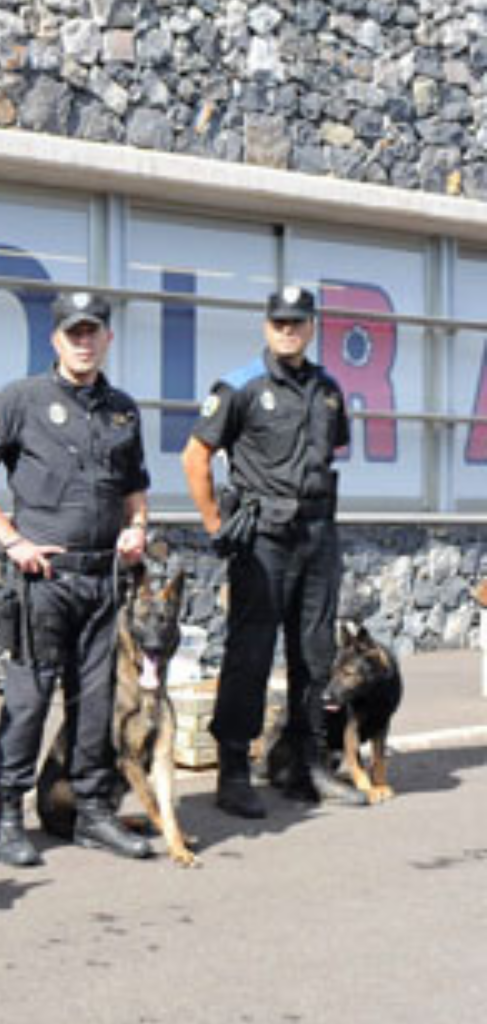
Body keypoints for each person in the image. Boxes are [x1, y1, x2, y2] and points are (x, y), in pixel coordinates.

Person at [0, 291, 154, 867]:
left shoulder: (122, 410)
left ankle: (90, 811)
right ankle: (7, 816)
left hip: (103, 580)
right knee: (30, 700)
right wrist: (10, 538)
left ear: (108, 338)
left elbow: (134, 485)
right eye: (74, 332)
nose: (83, 341)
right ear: (55, 339)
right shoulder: (23, 399)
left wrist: (137, 526)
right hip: (44, 580)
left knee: (96, 704)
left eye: (93, 331)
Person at [182, 286, 364, 817]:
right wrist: (217, 524)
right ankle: (234, 772)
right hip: (264, 540)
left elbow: (328, 453)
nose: (288, 330)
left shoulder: (328, 390)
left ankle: (307, 765)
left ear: (311, 326)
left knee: (315, 655)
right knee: (250, 656)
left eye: (297, 322)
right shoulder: (241, 387)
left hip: (317, 534)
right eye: (279, 322)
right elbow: (196, 457)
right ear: (267, 326)